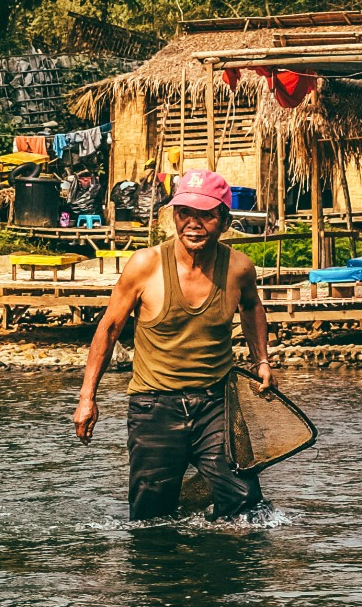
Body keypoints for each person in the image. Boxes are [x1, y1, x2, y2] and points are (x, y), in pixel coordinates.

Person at [74, 166, 275, 521]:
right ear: (174, 218)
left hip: (217, 403)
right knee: (151, 517)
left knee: (246, 506)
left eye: (205, 215)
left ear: (224, 221)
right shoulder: (145, 266)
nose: (193, 224)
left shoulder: (239, 268)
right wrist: (87, 398)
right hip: (154, 408)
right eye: (184, 213)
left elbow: (252, 306)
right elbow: (107, 330)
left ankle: (229, 574)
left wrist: (263, 361)